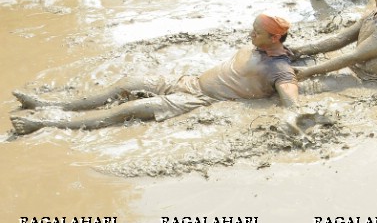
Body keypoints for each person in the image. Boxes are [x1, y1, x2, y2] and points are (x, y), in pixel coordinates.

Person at [10, 14, 298, 135]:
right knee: (127, 85)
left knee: (129, 109)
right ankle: (51, 106)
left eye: (256, 32)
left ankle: (45, 125)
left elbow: (291, 100)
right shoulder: (264, 46)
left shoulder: (280, 69)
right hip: (187, 82)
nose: (250, 34)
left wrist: (293, 116)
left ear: (273, 38)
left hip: (201, 100)